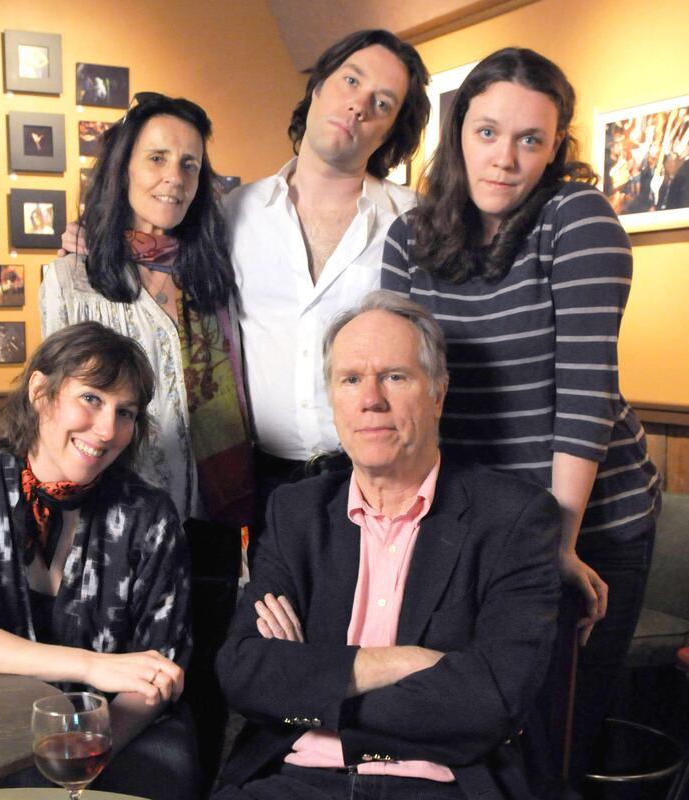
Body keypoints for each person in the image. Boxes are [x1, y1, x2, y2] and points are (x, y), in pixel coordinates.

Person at [381, 47, 661, 788]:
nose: (506, 158)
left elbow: (586, 387)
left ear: (555, 147)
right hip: (474, 519)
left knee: (549, 744)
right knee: (464, 728)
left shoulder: (576, 219)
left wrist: (558, 546)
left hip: (585, 519)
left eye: (531, 140)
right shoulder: (409, 238)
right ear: (459, 131)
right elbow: (396, 380)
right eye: (488, 132)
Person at [214, 291, 562, 800]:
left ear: (438, 393)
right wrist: (403, 663)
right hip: (299, 780)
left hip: (440, 784)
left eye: (395, 377)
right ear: (333, 398)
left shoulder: (513, 518)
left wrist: (315, 683)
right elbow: (244, 672)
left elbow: (491, 699)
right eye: (351, 379)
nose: (370, 398)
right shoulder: (297, 513)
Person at [42, 91, 252, 789]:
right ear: (123, 168)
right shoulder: (74, 274)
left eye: (190, 165)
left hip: (212, 516)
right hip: (116, 519)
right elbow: (56, 410)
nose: (174, 177)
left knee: (204, 685)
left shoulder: (216, 273)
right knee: (122, 690)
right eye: (157, 157)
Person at [0, 322, 199, 800]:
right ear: (41, 391)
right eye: (92, 399)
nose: (107, 430)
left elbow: (158, 670)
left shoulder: (150, 515)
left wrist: (87, 747)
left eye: (126, 413)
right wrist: (93, 666)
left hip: (121, 732)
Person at [225, 29, 430, 553]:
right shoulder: (232, 214)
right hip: (262, 481)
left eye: (380, 103)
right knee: (272, 628)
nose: (358, 106)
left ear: (389, 132)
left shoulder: (419, 222)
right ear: (317, 88)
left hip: (385, 477)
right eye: (350, 81)